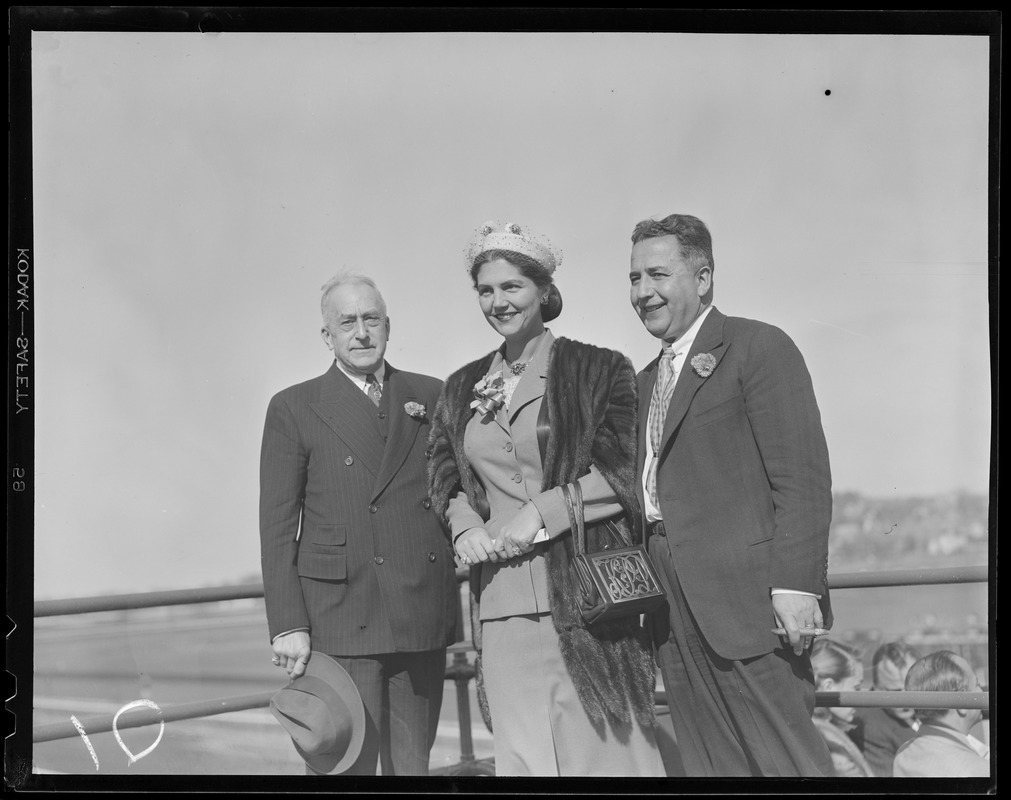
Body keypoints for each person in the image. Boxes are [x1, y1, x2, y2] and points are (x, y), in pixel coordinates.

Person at [427, 221, 665, 777]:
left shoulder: (598, 369)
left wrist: (542, 511)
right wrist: (466, 528)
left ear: (542, 290)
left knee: (610, 756)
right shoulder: (461, 387)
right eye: (486, 290)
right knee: (524, 761)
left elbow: (623, 471)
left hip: (587, 601)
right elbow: (443, 475)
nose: (498, 302)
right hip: (503, 604)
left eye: (512, 287)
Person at [627, 213, 834, 777]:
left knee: (788, 764)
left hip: (749, 606)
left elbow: (803, 480)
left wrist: (795, 585)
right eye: (635, 278)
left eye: (658, 275)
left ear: (703, 277)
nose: (643, 293)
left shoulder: (758, 346)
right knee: (710, 768)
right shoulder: (644, 382)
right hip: (671, 606)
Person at [259, 272, 456, 776]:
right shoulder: (294, 406)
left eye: (371, 319)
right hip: (341, 615)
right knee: (343, 768)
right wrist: (289, 624)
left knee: (412, 767)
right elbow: (278, 525)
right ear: (328, 336)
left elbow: (454, 494)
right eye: (347, 322)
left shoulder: (429, 394)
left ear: (388, 326)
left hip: (418, 610)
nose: (362, 332)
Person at [893, 651, 989, 778]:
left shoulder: (903, 754)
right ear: (962, 702)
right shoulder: (977, 770)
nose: (981, 691)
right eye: (976, 684)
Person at [809, 638, 874, 777]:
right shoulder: (829, 741)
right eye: (856, 688)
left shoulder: (811, 727)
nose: (860, 696)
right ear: (829, 687)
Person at [855, 641, 921, 776]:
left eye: (911, 689)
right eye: (895, 691)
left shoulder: (929, 708)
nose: (905, 699)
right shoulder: (869, 725)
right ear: (876, 687)